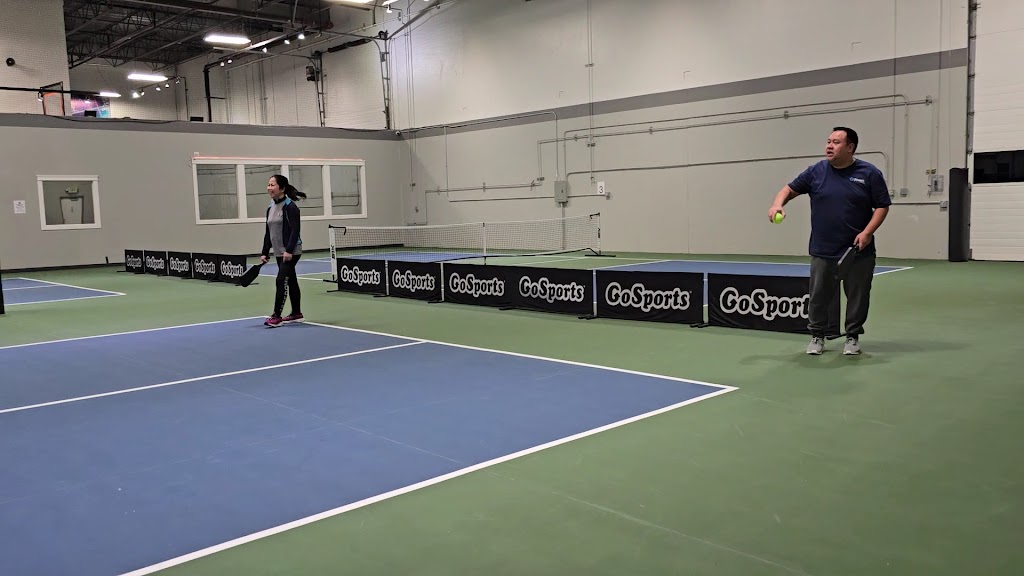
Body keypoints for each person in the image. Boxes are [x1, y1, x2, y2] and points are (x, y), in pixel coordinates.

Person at [768, 127, 891, 355]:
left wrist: (867, 232)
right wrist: (777, 204)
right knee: (818, 297)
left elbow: (882, 206)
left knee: (857, 297)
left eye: (836, 142)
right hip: (823, 249)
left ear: (850, 147)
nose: (829, 146)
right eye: (828, 141)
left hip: (857, 250)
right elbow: (788, 189)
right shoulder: (816, 171)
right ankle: (817, 336)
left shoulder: (869, 173)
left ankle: (852, 337)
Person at [261, 174, 307, 327]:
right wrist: (265, 252)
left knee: (281, 280)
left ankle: (276, 316)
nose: (269, 188)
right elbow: (268, 232)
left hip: (291, 252)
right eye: (268, 185)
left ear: (282, 188)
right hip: (278, 251)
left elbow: (295, 230)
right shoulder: (270, 207)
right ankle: (296, 313)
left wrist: (289, 250)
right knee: (291, 280)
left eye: (272, 185)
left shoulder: (290, 207)